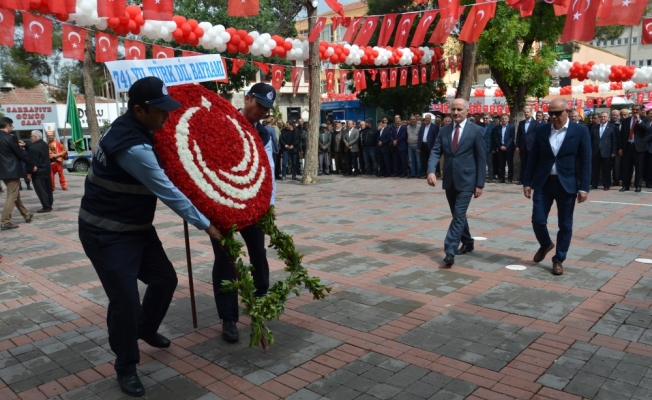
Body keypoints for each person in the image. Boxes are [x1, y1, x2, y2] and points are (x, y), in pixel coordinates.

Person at [77, 77, 221, 397]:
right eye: (160, 112)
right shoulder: (132, 147)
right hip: (105, 234)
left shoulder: (138, 126)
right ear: (139, 111)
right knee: (126, 301)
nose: (166, 117)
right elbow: (168, 191)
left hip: (137, 229)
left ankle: (145, 329)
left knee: (165, 280)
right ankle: (126, 365)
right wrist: (205, 223)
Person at [211, 82, 277, 344]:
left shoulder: (266, 134)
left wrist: (268, 205)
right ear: (247, 98)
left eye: (266, 108)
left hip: (254, 206)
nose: (262, 111)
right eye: (258, 104)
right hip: (223, 205)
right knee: (226, 259)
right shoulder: (222, 122)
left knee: (258, 252)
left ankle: (261, 296)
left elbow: (269, 171)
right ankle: (229, 318)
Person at [523, 98, 591, 276]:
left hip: (567, 184)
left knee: (565, 225)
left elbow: (585, 161)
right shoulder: (542, 130)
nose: (553, 116)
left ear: (566, 112)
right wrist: (527, 182)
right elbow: (533, 158)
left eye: (557, 113)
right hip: (543, 183)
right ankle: (546, 244)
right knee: (538, 220)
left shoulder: (580, 131)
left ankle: (558, 259)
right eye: (550, 113)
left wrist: (584, 187)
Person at [427, 98, 485, 266]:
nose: (456, 112)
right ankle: (467, 241)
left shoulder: (476, 130)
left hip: (468, 180)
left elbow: (481, 159)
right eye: (453, 109)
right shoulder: (444, 131)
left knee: (459, 215)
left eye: (459, 109)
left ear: (467, 111)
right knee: (457, 215)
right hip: (450, 179)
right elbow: (436, 151)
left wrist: (479, 183)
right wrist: (431, 170)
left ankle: (450, 250)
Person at [0, 117, 33, 230]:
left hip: (2, 171)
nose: (12, 128)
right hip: (12, 170)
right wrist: (31, 163)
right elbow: (20, 154)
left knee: (15, 195)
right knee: (12, 196)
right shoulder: (11, 138)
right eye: (12, 126)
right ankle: (5, 221)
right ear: (8, 125)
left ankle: (26, 215)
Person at [619, 104, 649, 192]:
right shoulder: (626, 120)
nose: (635, 111)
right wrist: (620, 148)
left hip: (639, 147)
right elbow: (622, 135)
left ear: (641, 110)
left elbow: (646, 129)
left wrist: (639, 120)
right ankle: (626, 185)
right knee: (626, 167)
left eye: (637, 110)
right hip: (628, 146)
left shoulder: (645, 119)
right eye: (633, 110)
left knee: (639, 168)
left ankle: (638, 185)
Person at [26, 130, 52, 212]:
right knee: (48, 189)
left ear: (35, 137)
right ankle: (49, 203)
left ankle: (46, 206)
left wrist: (29, 173)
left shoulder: (33, 147)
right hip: (46, 169)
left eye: (31, 136)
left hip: (38, 171)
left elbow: (31, 161)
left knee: (41, 190)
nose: (31, 138)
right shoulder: (44, 144)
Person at [591, 112, 618, 191]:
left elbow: (615, 140)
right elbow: (591, 139)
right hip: (595, 151)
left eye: (605, 117)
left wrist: (614, 151)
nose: (603, 118)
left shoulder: (612, 127)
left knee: (606, 169)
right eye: (601, 117)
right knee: (595, 169)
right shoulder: (594, 127)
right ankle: (594, 184)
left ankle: (606, 185)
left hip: (607, 151)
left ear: (608, 117)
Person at [516, 107, 537, 185]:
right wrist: (517, 146)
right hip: (523, 147)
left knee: (531, 164)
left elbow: (537, 135)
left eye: (527, 112)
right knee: (523, 164)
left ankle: (531, 180)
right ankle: (522, 179)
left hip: (531, 147)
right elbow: (518, 135)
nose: (526, 113)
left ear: (531, 113)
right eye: (525, 112)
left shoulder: (535, 123)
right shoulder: (521, 123)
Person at [494, 114, 516, 183]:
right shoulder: (497, 127)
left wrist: (506, 146)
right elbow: (496, 138)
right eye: (503, 119)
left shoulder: (511, 126)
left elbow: (512, 137)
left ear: (508, 119)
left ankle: (510, 178)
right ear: (501, 119)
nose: (504, 120)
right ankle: (502, 178)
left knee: (510, 164)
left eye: (505, 118)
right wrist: (500, 146)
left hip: (509, 148)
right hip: (500, 148)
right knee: (501, 164)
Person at [418, 114, 438, 179]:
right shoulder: (422, 127)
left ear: (430, 119)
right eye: (425, 118)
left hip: (431, 146)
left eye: (428, 118)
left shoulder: (434, 127)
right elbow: (420, 137)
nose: (426, 119)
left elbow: (436, 138)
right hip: (423, 145)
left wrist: (434, 147)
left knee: (431, 160)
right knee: (424, 160)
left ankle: (432, 173)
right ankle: (426, 174)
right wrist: (419, 147)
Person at [480, 114, 495, 183]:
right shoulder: (480, 126)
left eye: (486, 118)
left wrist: (494, 148)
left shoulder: (493, 126)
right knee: (481, 163)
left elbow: (495, 138)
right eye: (484, 118)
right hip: (481, 147)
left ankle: (490, 177)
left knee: (490, 163)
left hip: (489, 147)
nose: (485, 119)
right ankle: (482, 177)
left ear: (489, 119)